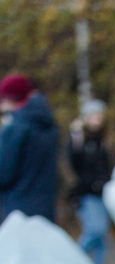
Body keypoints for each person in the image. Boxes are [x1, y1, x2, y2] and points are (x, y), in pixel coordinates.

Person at [0, 73, 59, 222]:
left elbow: (4, 173)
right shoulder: (48, 125)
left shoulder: (15, 128)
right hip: (46, 206)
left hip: (18, 208)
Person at [68, 98, 113, 264]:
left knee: (102, 239)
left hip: (103, 192)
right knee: (95, 230)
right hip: (86, 193)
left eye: (100, 115)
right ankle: (73, 263)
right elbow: (74, 164)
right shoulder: (79, 139)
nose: (98, 119)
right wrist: (75, 138)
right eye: (94, 115)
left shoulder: (103, 140)